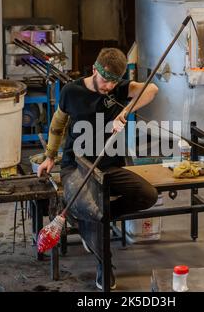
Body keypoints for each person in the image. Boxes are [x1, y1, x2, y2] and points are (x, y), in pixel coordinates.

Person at [37, 48, 159, 290]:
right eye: (105, 81)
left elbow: (152, 90)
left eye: (114, 83)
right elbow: (58, 122)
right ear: (94, 70)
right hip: (76, 166)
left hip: (108, 166)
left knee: (147, 196)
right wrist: (50, 156)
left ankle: (84, 217)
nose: (109, 88)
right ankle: (105, 267)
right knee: (94, 210)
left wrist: (124, 113)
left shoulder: (118, 88)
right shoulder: (72, 91)